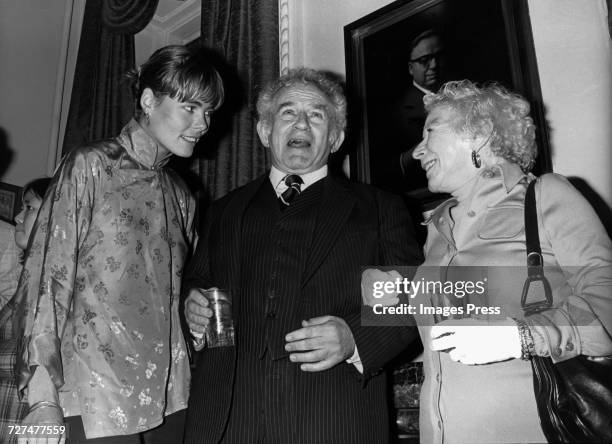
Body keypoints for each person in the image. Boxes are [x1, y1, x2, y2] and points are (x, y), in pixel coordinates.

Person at [182, 68, 423, 444]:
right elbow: (197, 284)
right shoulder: (223, 211)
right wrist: (192, 309)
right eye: (288, 112)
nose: (301, 123)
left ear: (336, 137)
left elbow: (410, 303)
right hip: (226, 425)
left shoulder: (381, 209)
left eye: (316, 115)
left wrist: (352, 337)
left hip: (333, 423)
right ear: (265, 131)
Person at [363, 80, 612, 443]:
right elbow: (457, 310)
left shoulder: (544, 196)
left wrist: (521, 336)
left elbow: (606, 298)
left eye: (429, 131)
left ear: (478, 134)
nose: (417, 151)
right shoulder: (437, 228)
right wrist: (388, 290)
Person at [12, 45, 224, 443]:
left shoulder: (183, 195)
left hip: (171, 396)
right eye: (190, 108)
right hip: (94, 395)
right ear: (148, 100)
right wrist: (42, 396)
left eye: (208, 112)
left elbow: (183, 292)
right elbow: (46, 275)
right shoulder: (89, 164)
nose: (202, 123)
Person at [0, 177, 51, 444]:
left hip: (25, 424)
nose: (18, 217)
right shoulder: (30, 276)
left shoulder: (54, 280)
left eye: (29, 207)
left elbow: (39, 355)